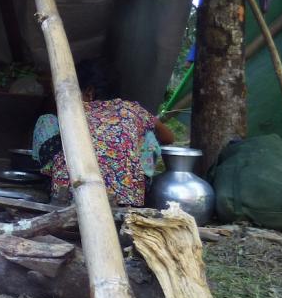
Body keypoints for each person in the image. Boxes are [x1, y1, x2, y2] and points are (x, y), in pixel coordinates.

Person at [31, 59, 176, 207]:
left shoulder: (73, 110)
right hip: (125, 203)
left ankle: (49, 183)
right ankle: (137, 192)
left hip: (70, 200)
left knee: (47, 121)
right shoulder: (131, 110)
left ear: (89, 92)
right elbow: (169, 137)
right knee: (149, 139)